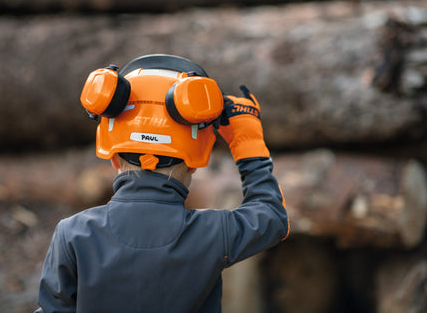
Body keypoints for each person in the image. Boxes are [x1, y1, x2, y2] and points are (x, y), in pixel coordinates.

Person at [34, 54, 289, 313]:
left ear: (112, 156)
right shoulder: (212, 233)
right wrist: (247, 141)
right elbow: (272, 217)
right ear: (195, 161)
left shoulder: (74, 234)